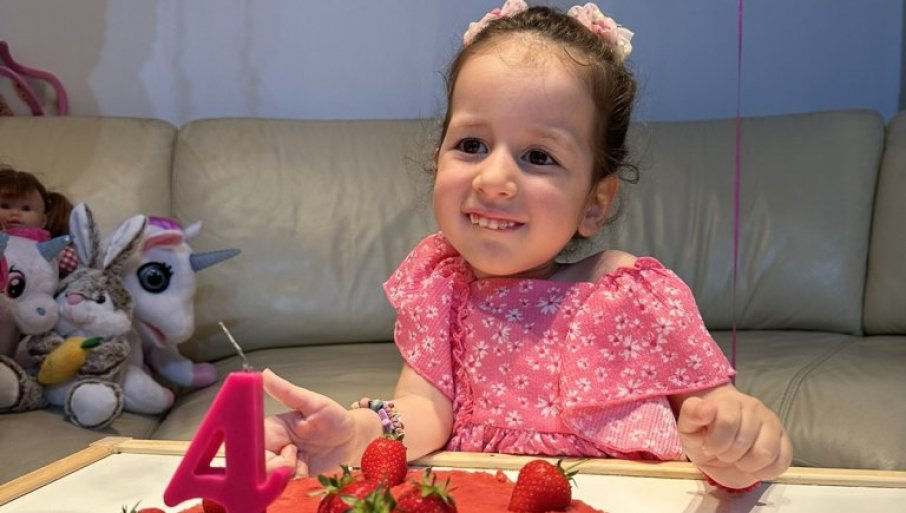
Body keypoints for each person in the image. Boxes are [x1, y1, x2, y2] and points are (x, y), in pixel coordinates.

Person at [262, 1, 792, 492]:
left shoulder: (632, 294)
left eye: (539, 156)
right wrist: (353, 435)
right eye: (472, 144)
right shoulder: (441, 288)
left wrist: (741, 445)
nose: (493, 179)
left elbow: (720, 419)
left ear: (595, 203)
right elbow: (421, 413)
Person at [0, 165, 78, 276]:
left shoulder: (44, 247)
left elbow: (72, 263)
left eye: (26, 208)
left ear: (43, 221)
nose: (15, 213)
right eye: (5, 206)